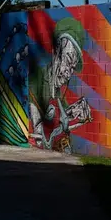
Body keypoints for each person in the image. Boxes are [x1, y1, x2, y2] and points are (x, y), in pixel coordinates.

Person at [28, 16, 92, 153]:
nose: (68, 73)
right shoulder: (36, 82)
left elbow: (60, 122)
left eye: (72, 67)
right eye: (67, 61)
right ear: (56, 52)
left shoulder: (58, 94)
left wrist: (73, 112)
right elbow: (41, 138)